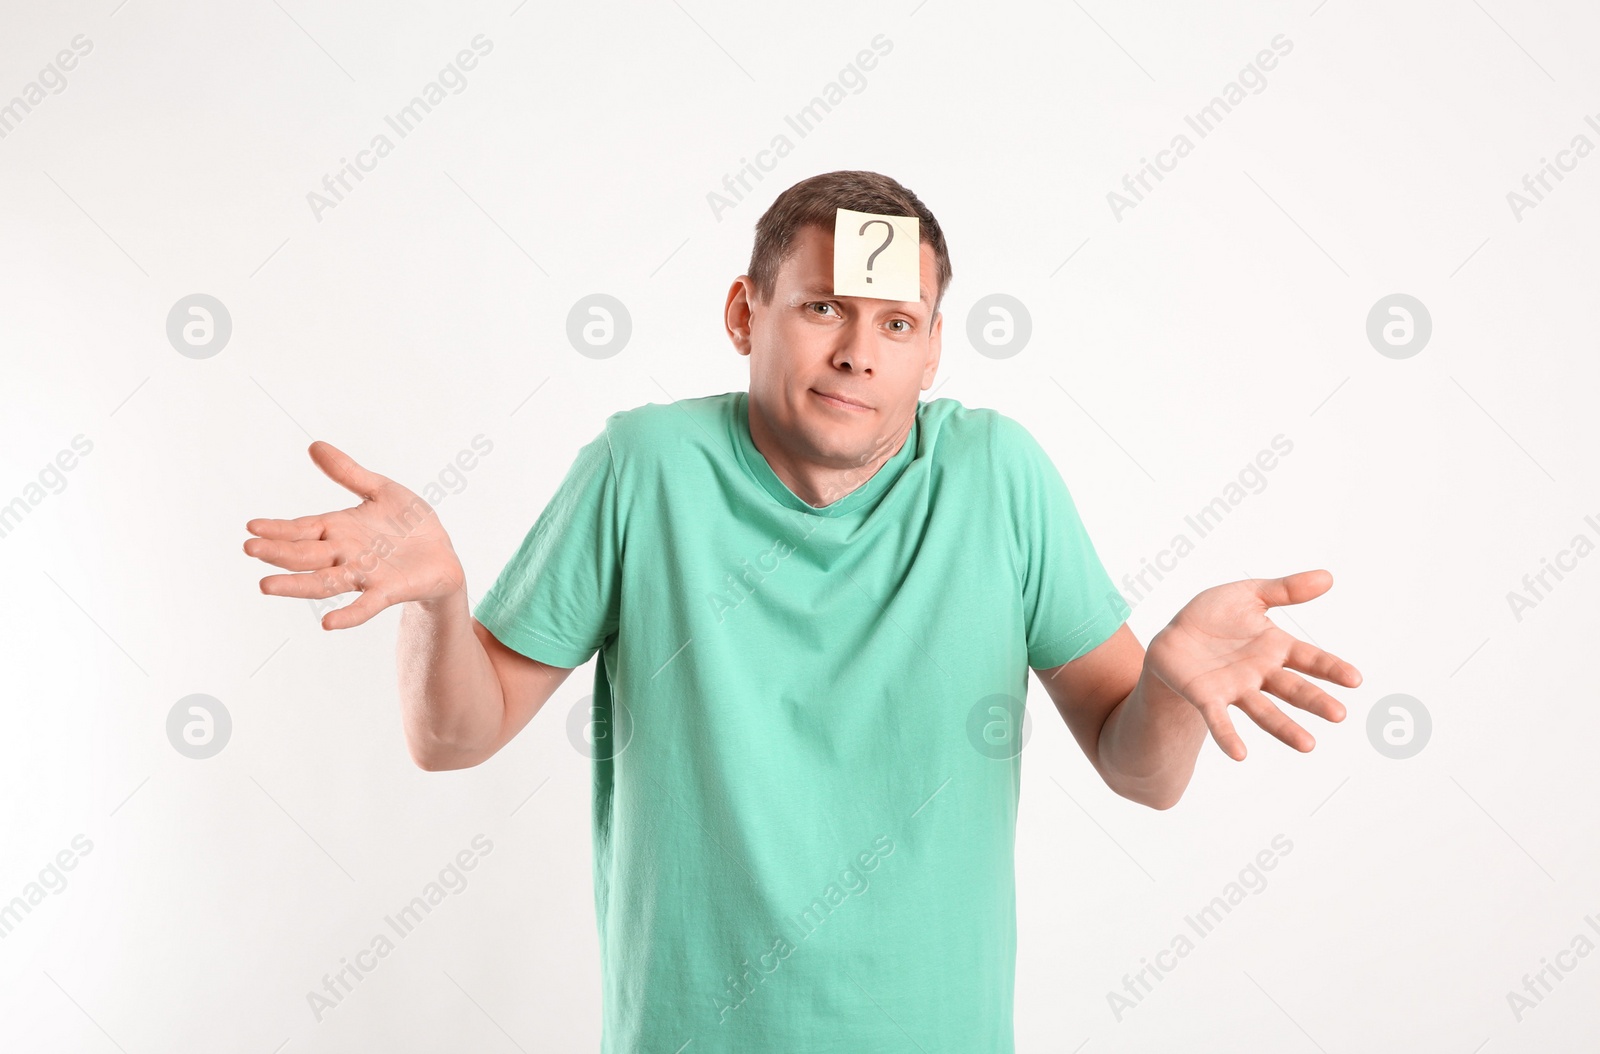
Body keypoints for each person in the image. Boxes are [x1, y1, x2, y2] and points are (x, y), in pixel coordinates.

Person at [244, 170, 1362, 1053]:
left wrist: (1163, 687)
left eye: (895, 323)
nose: (854, 354)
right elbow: (452, 735)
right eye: (822, 306)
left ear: (932, 344)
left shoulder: (997, 474)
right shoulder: (646, 467)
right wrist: (440, 597)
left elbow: (1144, 770)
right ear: (746, 312)